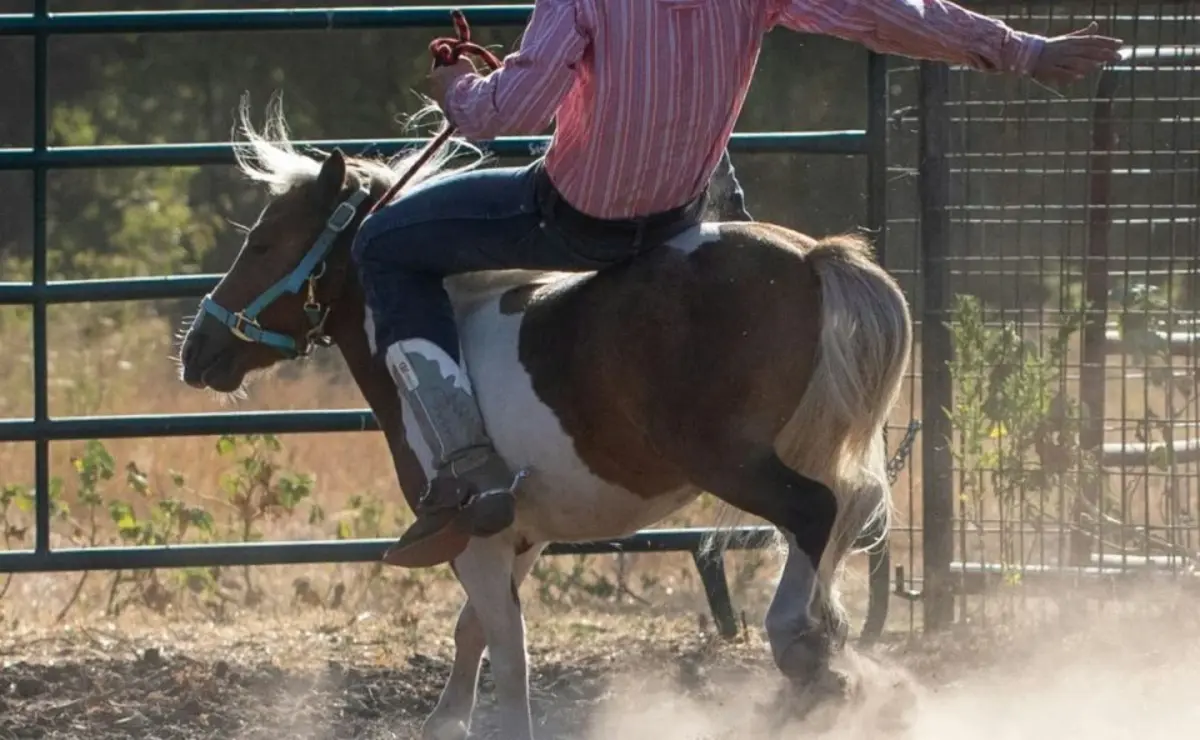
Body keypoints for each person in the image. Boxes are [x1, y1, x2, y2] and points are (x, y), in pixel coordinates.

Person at [353, 0, 1122, 566]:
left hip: (575, 221)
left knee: (383, 243)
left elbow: (507, 114)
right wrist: (1021, 51)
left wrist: (456, 87)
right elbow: (887, 14)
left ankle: (463, 460)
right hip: (676, 214)